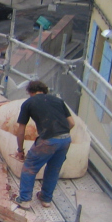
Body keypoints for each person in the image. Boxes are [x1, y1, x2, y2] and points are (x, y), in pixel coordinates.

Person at [12, 80, 75, 209]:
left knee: (30, 167)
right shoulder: (58, 100)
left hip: (48, 141)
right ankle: (46, 199)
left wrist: (20, 150)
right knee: (53, 169)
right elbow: (72, 123)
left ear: (30, 92)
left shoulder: (28, 103)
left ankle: (24, 200)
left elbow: (21, 131)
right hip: (65, 139)